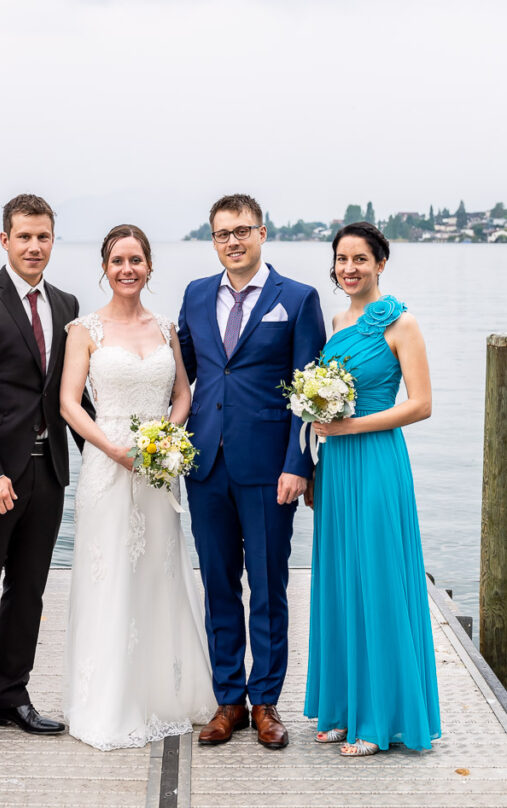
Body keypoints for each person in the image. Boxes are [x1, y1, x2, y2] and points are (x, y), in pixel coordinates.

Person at [0, 194, 93, 752]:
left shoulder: (66, 304)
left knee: (28, 590)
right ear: (4, 240)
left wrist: (114, 453)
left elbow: (68, 396)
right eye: (25, 236)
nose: (35, 246)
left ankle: (12, 696)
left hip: (47, 470)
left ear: (54, 240)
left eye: (44, 237)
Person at [177, 194, 326, 749]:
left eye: (243, 230)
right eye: (222, 233)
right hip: (206, 463)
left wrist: (298, 465)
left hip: (270, 470)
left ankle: (266, 701)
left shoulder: (299, 298)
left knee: (267, 586)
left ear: (263, 233)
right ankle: (228, 701)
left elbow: (308, 393)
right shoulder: (194, 295)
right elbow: (184, 372)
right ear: (212, 239)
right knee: (218, 583)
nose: (233, 241)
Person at [60, 224, 216, 751]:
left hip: (158, 469)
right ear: (104, 267)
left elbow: (183, 394)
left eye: (137, 260)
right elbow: (68, 403)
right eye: (118, 260)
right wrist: (112, 449)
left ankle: (163, 692)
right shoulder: (85, 329)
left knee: (159, 573)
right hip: (108, 466)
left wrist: (168, 437)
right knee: (111, 575)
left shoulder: (167, 327)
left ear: (150, 267)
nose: (128, 269)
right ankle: (109, 701)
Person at [305, 221, 441, 756]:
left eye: (360, 259)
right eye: (342, 259)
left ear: (380, 263)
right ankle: (343, 706)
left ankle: (379, 720)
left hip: (378, 460)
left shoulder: (401, 322)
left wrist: (350, 426)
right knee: (341, 578)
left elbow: (421, 403)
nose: (349, 268)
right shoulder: (338, 320)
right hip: (336, 466)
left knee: (378, 576)